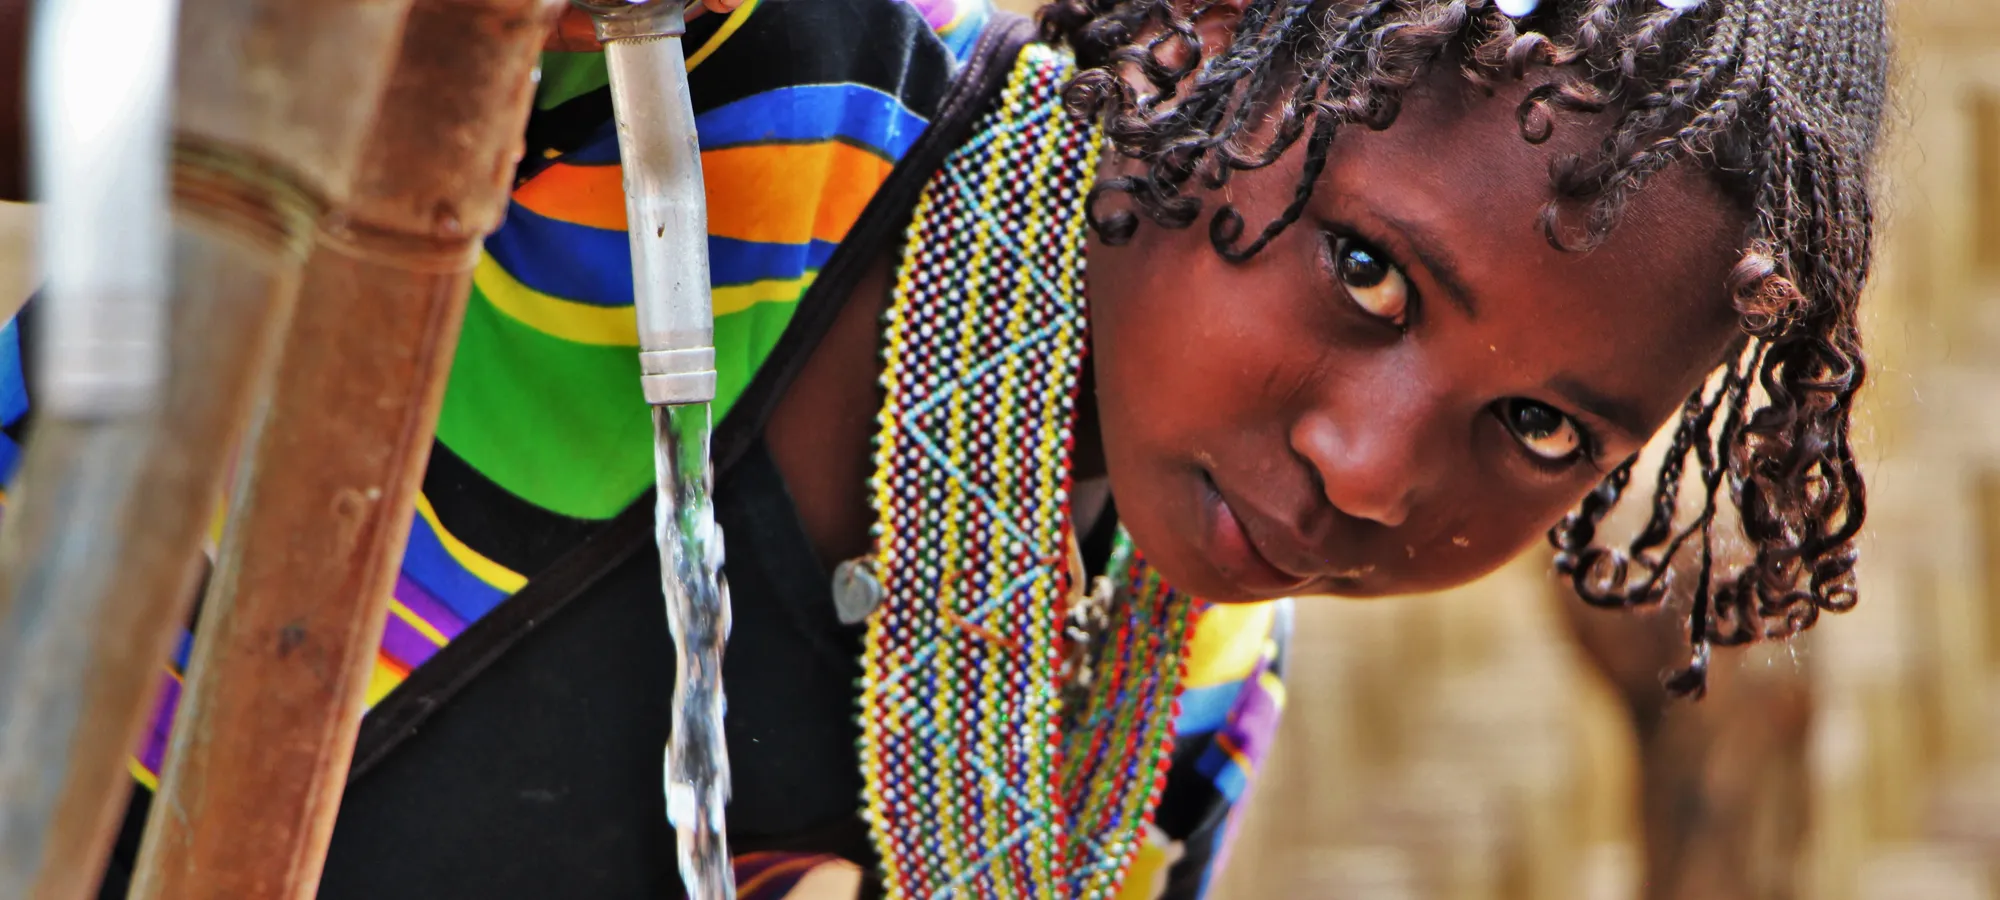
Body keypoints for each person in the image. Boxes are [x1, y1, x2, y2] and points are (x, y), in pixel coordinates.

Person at [0, 0, 1888, 897]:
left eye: (1542, 427)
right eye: (1371, 274)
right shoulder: (740, 85)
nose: (1377, 472)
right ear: (1219, 39)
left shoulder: (1167, 708)